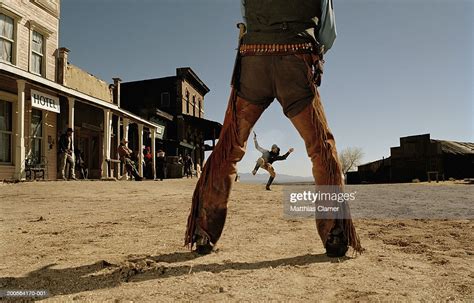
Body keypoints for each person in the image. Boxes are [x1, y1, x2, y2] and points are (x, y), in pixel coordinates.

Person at [185, 0, 362, 257]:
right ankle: (335, 231)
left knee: (229, 146)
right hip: (296, 62)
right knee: (320, 147)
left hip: (253, 63)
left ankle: (204, 231)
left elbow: (247, 17)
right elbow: (328, 33)